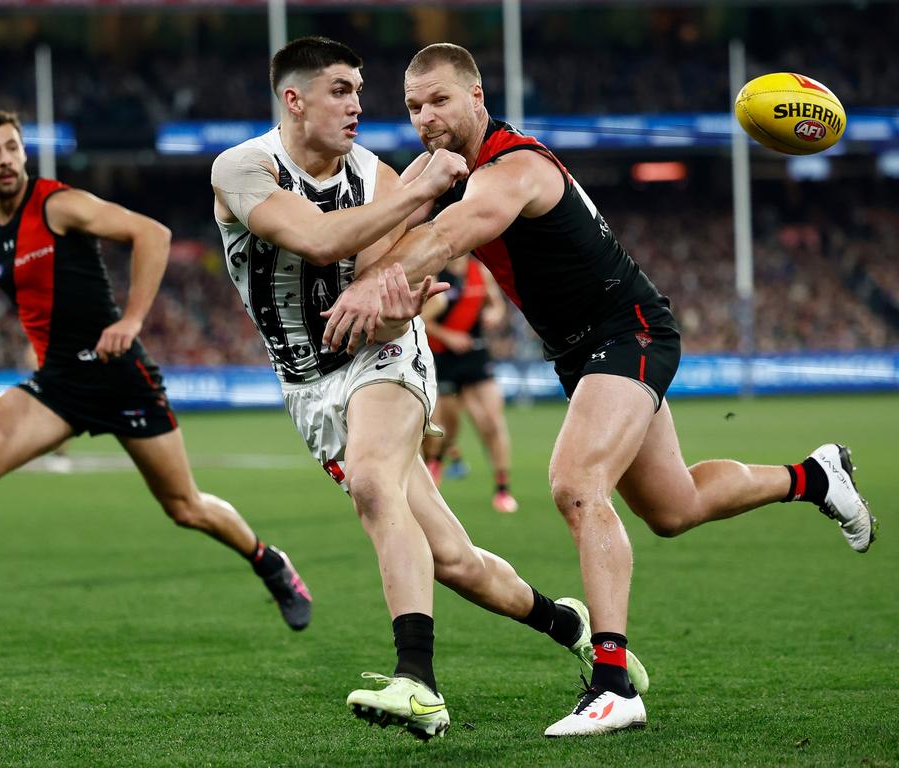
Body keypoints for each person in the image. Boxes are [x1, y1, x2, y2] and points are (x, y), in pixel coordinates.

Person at [321, 43, 878, 737]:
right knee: (674, 506)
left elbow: (446, 235)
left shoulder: (511, 167)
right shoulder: (435, 172)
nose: (424, 117)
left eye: (437, 100)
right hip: (580, 351)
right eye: (411, 107)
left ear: (476, 96)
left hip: (629, 327)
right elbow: (381, 235)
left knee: (577, 483)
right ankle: (815, 476)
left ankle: (613, 683)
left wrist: (375, 283)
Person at [210, 36, 647, 741]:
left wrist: (400, 296)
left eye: (359, 89)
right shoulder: (245, 168)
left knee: (374, 485)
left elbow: (382, 275)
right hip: (309, 386)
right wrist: (420, 187)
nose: (358, 105)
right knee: (454, 561)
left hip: (386, 361)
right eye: (340, 91)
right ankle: (568, 623)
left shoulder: (377, 175)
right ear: (293, 99)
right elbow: (319, 240)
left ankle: (418, 683)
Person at [0, 110, 312, 663]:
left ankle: (268, 561)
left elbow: (151, 234)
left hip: (120, 377)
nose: (6, 159)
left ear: (24, 155)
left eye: (13, 147)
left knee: (184, 505)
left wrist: (130, 321)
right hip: (57, 385)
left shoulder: (57, 204)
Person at [420, 254, 518, 513]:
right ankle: (436, 461)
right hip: (441, 356)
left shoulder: (480, 272)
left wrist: (493, 314)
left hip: (474, 354)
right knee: (443, 427)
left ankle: (502, 489)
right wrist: (448, 335)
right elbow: (421, 321)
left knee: (491, 422)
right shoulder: (435, 271)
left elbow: (496, 305)